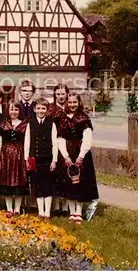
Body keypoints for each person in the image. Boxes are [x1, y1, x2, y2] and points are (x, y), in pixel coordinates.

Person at [57, 92, 99, 224]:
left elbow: (87, 139)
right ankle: (71, 211)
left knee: (80, 182)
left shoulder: (84, 118)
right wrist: (65, 156)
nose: (72, 104)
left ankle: (79, 212)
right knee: (69, 183)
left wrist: (81, 156)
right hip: (68, 153)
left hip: (81, 153)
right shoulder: (63, 118)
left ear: (79, 102)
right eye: (70, 102)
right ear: (66, 103)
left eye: (75, 102)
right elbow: (60, 139)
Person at [24, 98, 59, 218]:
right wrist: (26, 159)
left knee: (47, 185)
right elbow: (27, 142)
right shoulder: (30, 123)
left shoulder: (51, 123)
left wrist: (54, 160)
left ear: (47, 110)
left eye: (43, 108)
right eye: (38, 108)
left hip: (48, 159)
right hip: (35, 159)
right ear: (34, 109)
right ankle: (40, 211)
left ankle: (47, 212)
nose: (41, 111)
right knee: (37, 184)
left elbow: (55, 143)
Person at [0, 100, 29, 214]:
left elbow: (27, 141)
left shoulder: (25, 124)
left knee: (19, 180)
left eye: (16, 109)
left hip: (19, 155)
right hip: (5, 156)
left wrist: (26, 158)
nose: (14, 112)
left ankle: (17, 208)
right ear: (8, 110)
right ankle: (9, 208)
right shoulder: (3, 124)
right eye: (12, 109)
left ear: (20, 111)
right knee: (7, 180)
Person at [48, 83, 70, 216]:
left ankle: (66, 206)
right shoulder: (51, 109)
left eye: (63, 94)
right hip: (55, 142)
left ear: (67, 94)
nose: (61, 97)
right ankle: (56, 206)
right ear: (55, 95)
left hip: (69, 143)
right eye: (58, 94)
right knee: (56, 175)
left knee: (67, 175)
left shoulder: (71, 106)